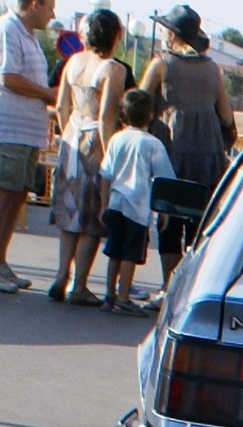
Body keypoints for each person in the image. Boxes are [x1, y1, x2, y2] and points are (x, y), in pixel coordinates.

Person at [136, 4, 230, 287]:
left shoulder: (161, 64)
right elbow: (226, 116)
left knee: (169, 223)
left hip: (171, 152)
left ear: (173, 34)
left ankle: (168, 287)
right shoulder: (213, 68)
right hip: (208, 155)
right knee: (197, 226)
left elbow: (138, 103)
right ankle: (188, 287)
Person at [0, 0, 55, 294]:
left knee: (17, 194)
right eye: (50, 7)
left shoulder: (27, 34)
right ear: (34, 4)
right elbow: (10, 78)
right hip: (6, 128)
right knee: (2, 192)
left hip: (25, 130)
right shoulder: (6, 29)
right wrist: (49, 94)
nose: (53, 14)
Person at [47, 9, 126, 303]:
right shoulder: (112, 69)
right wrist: (109, 155)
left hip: (71, 135)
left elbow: (61, 107)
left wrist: (67, 131)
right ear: (115, 35)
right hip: (93, 139)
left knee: (69, 211)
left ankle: (60, 276)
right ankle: (79, 285)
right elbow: (106, 117)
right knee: (92, 216)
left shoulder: (73, 62)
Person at [97, 85, 165, 314]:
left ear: (124, 113)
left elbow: (105, 174)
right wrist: (163, 211)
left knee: (114, 251)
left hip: (116, 202)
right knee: (130, 253)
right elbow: (163, 179)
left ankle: (109, 295)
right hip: (138, 205)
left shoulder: (116, 139)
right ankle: (124, 297)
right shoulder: (153, 143)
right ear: (151, 114)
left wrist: (104, 203)